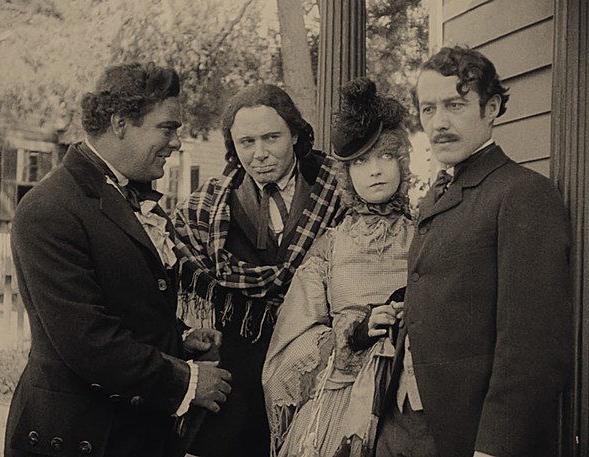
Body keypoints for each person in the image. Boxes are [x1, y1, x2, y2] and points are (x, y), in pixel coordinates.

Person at [5, 62, 232, 457]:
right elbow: (87, 342)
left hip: (136, 433)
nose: (177, 141)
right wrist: (186, 382)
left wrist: (178, 337)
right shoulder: (49, 208)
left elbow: (126, 301)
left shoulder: (136, 197)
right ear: (120, 123)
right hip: (79, 436)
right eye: (167, 127)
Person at [369, 46, 572, 457]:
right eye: (428, 110)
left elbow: (530, 347)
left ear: (491, 107)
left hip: (467, 433)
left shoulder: (522, 193)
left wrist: (494, 447)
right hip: (402, 419)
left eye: (455, 105)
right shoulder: (438, 194)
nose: (438, 123)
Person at [173, 84, 344, 457]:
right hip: (235, 383)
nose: (260, 154)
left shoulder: (337, 188)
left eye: (272, 137)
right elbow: (167, 262)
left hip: (312, 373)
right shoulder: (209, 205)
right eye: (246, 142)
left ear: (295, 134)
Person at [263, 77, 413, 457]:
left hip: (410, 398)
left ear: (402, 161)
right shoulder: (330, 248)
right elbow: (291, 343)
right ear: (345, 174)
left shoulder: (426, 237)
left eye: (386, 156)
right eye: (361, 161)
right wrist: (353, 335)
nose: (375, 171)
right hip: (339, 403)